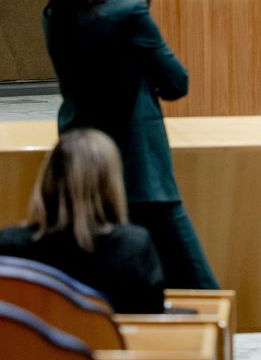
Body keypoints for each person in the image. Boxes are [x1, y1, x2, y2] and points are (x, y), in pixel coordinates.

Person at [44, 0, 219, 289]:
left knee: (100, 286)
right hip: (139, 166)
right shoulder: (130, 13)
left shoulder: (55, 13)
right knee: (198, 284)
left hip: (79, 158)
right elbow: (176, 83)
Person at [0, 130, 165, 313]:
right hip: (107, 342)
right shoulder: (133, 246)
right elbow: (151, 316)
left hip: (27, 343)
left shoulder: (8, 245)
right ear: (110, 185)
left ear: (47, 179)